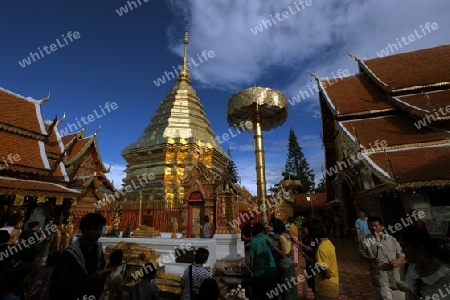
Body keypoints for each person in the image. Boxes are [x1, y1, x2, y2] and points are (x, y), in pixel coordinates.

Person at [49, 213, 113, 300]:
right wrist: (94, 278)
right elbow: (62, 288)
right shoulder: (69, 256)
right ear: (83, 230)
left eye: (100, 229)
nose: (98, 233)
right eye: (95, 229)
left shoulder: (98, 251)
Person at [359, 216, 405, 300]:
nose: (373, 228)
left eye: (376, 225)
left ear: (382, 227)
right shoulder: (365, 241)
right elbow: (362, 254)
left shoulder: (391, 239)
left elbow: (401, 254)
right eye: (370, 226)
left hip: (396, 276)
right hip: (380, 276)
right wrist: (370, 259)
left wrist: (398, 261)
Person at [399, 226, 450, 299]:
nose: (402, 250)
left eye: (405, 246)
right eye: (401, 246)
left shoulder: (446, 277)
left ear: (421, 248)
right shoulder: (405, 269)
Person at [308, 218, 339, 300]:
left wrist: (312, 263)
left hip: (325, 288)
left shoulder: (321, 249)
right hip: (333, 285)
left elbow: (327, 274)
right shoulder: (328, 242)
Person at [269, 219, 299, 300]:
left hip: (284, 262)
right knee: (291, 282)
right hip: (290, 261)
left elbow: (283, 254)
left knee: (285, 283)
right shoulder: (287, 235)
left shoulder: (281, 238)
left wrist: (273, 246)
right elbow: (291, 249)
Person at [249, 222, 277, 300]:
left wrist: (251, 271)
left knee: (260, 295)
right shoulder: (269, 239)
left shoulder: (253, 242)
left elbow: (252, 259)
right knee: (273, 294)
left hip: (259, 272)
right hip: (271, 269)